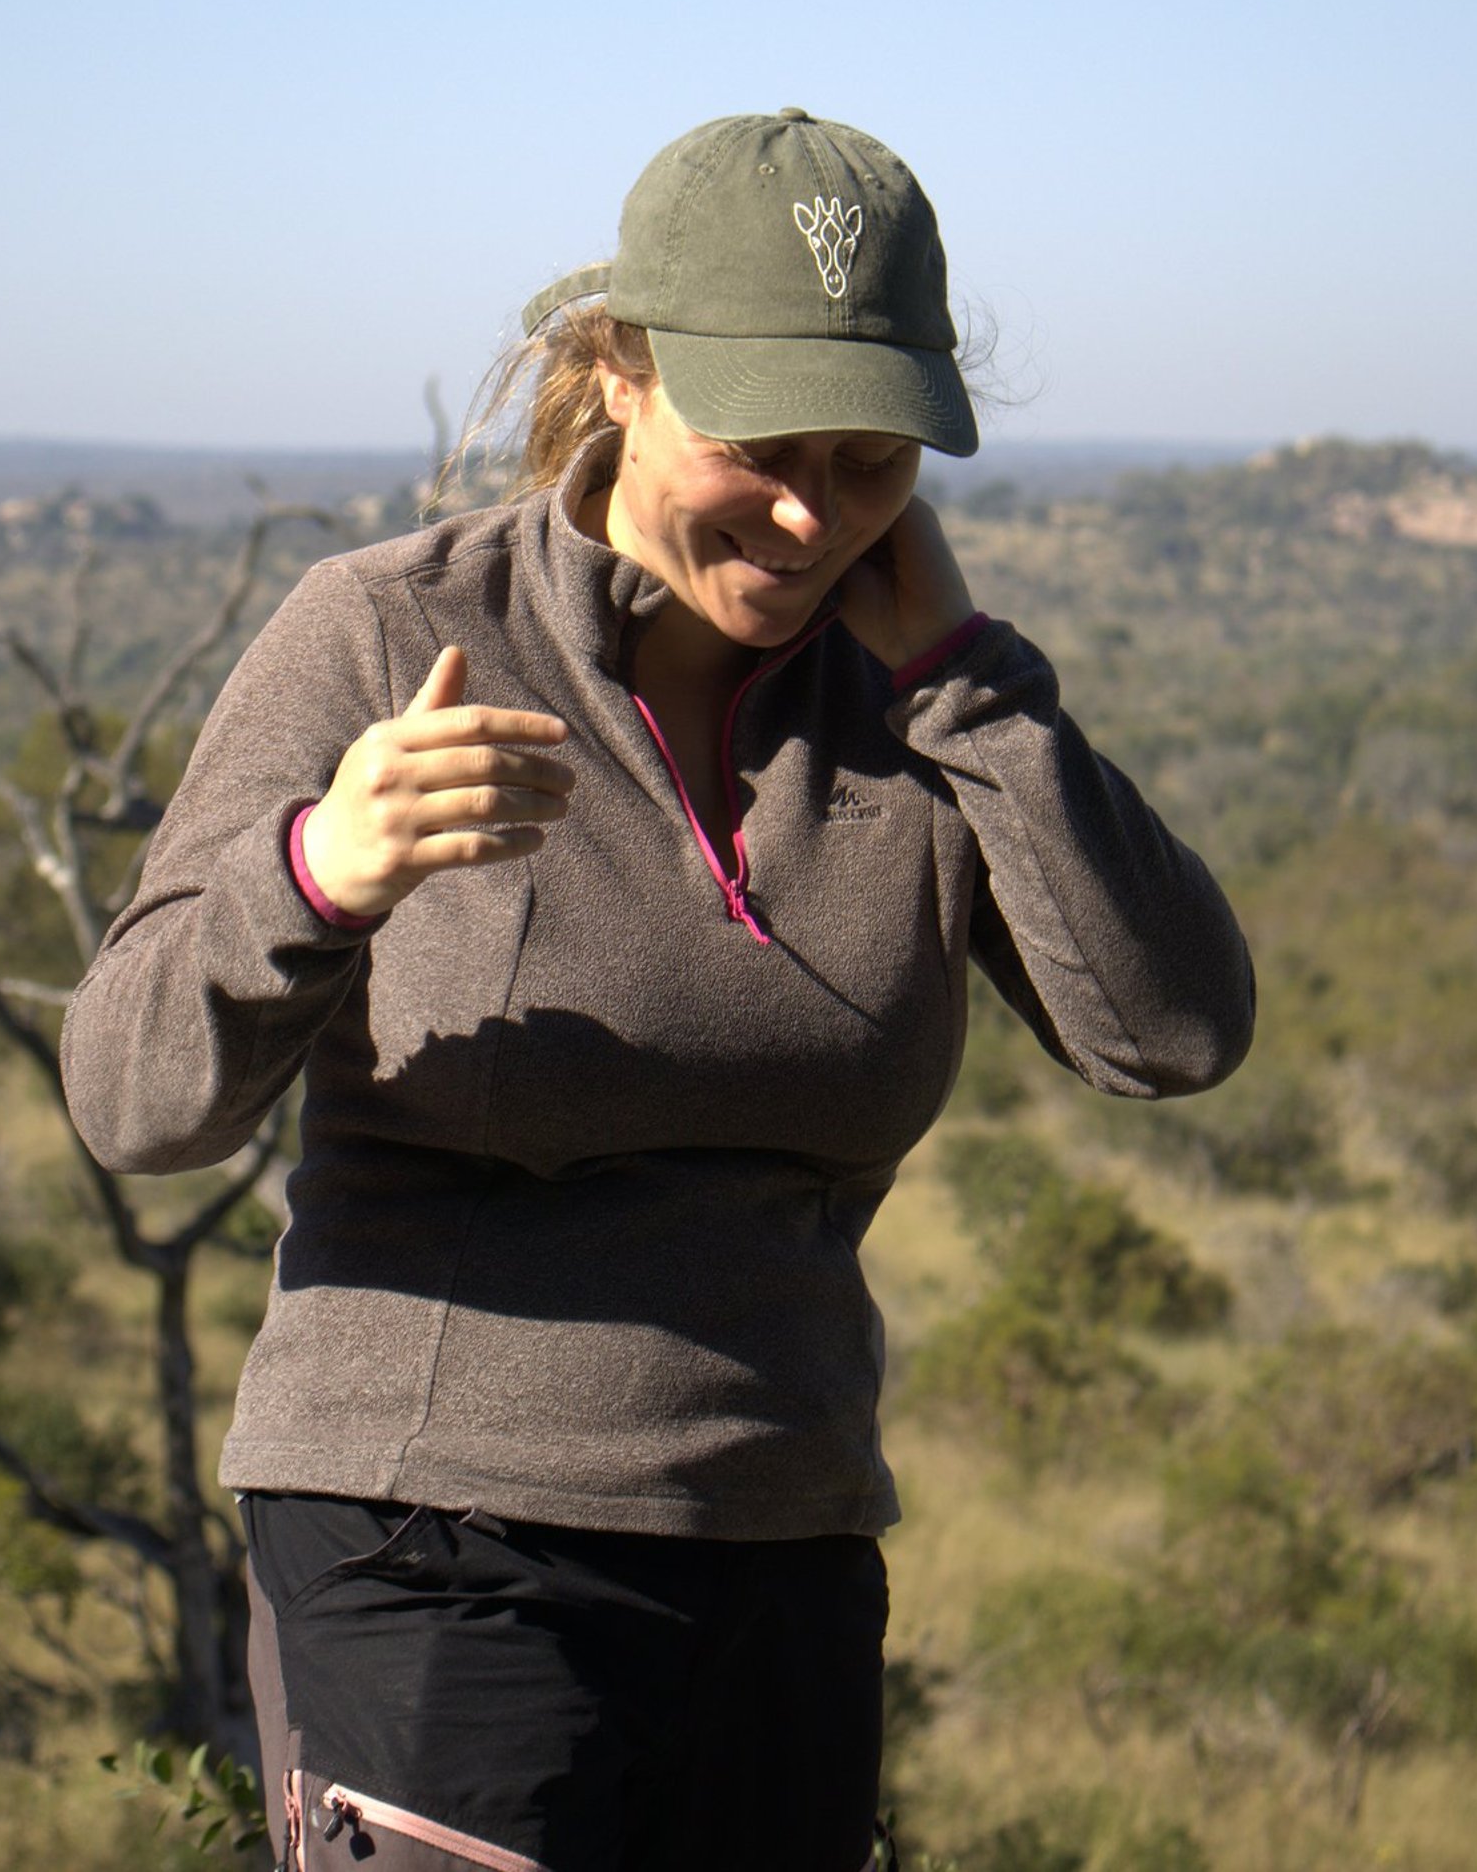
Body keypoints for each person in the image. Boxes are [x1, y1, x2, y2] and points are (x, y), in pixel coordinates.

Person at [62, 108, 1255, 1872]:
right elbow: (131, 1092)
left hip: (786, 1544)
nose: (808, 516)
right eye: (764, 444)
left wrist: (968, 687)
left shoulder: (918, 706)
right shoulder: (389, 629)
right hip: (428, 1539)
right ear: (618, 372)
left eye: (872, 465)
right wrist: (324, 865)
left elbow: (1171, 1033)